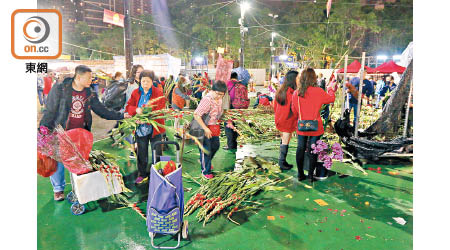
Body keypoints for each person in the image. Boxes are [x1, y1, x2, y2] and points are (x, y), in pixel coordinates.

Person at [39, 65, 130, 201]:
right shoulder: (60, 89)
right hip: (61, 131)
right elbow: (50, 109)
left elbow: (101, 110)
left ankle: (80, 188)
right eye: (88, 78)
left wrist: (121, 116)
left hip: (80, 134)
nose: (91, 80)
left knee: (78, 162)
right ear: (79, 77)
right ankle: (58, 189)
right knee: (58, 161)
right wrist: (43, 129)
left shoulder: (90, 93)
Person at [291, 68, 336, 183]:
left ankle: (300, 174)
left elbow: (294, 111)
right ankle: (311, 175)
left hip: (301, 126)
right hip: (316, 127)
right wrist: (330, 89)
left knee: (300, 148)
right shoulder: (319, 91)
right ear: (314, 78)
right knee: (313, 150)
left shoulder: (297, 93)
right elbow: (331, 99)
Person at [125, 70, 166, 184]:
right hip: (140, 129)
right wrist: (136, 111)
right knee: (141, 152)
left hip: (155, 128)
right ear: (140, 81)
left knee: (157, 151)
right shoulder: (135, 93)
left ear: (152, 82)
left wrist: (148, 115)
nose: (145, 84)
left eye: (148, 81)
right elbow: (129, 106)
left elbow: (160, 109)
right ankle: (142, 174)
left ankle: (158, 172)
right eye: (143, 81)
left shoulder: (158, 93)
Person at [193, 81, 227, 179]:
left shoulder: (219, 99)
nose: (219, 96)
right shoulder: (207, 100)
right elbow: (196, 115)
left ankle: (205, 161)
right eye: (218, 94)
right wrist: (205, 129)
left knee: (216, 145)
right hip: (202, 127)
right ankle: (205, 171)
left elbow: (218, 112)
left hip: (213, 127)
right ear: (212, 90)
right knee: (206, 150)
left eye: (222, 95)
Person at [274, 70, 298, 171]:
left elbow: (274, 105)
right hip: (288, 120)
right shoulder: (291, 93)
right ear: (294, 80)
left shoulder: (281, 90)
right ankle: (281, 162)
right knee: (285, 141)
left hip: (280, 119)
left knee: (284, 139)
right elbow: (294, 109)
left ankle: (282, 161)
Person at [123, 65, 143, 158]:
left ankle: (136, 149)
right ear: (134, 73)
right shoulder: (131, 85)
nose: (141, 73)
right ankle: (132, 151)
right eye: (139, 72)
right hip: (130, 112)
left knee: (138, 131)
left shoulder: (141, 83)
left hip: (138, 112)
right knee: (131, 131)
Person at [224, 72, 242, 151]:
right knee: (235, 125)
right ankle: (234, 144)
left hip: (229, 106)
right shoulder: (240, 84)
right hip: (238, 108)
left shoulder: (228, 83)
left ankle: (230, 145)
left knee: (228, 126)